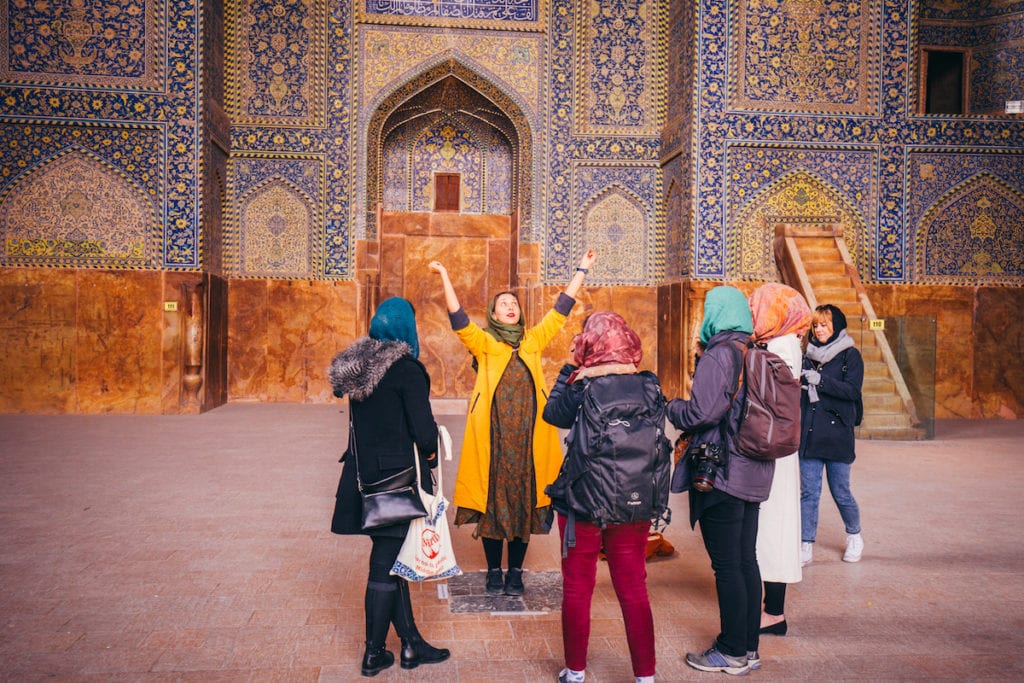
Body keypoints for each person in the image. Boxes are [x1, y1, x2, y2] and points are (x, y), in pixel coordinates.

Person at [428, 250, 596, 596]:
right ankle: (493, 571)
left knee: (522, 503)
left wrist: (582, 269)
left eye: (514, 303)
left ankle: (515, 571)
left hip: (529, 441)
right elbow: (458, 319)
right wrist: (445, 274)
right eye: (503, 303)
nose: (510, 307)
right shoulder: (486, 343)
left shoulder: (533, 341)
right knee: (492, 502)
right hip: (494, 440)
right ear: (493, 313)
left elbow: (560, 310)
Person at [328, 297, 451, 677]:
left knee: (390, 558)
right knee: (385, 566)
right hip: (395, 481)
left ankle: (412, 644)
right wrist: (431, 458)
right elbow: (424, 431)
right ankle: (374, 653)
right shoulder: (406, 370)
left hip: (363, 477)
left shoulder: (360, 368)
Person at [541, 311, 663, 683]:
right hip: (634, 500)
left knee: (578, 588)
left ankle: (575, 672)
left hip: (583, 503)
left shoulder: (581, 387)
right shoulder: (649, 385)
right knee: (633, 587)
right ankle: (646, 676)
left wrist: (568, 369)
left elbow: (552, 414)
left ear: (589, 346)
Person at [666, 285, 772, 676]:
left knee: (727, 566)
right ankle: (748, 647)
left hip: (723, 473)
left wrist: (671, 405)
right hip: (755, 468)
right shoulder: (755, 349)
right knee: (746, 560)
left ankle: (730, 651)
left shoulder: (721, 353)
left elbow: (701, 413)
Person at [748, 283, 812, 638]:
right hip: (776, 448)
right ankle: (770, 607)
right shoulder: (781, 344)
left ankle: (773, 613)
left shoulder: (780, 346)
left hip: (772, 449)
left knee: (773, 530)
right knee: (773, 528)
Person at [799, 304, 865, 565]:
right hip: (810, 434)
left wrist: (820, 381)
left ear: (836, 325)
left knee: (841, 491)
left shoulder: (850, 355)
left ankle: (854, 536)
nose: (819, 329)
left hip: (837, 435)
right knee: (809, 493)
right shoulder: (807, 355)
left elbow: (852, 392)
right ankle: (805, 544)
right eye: (816, 325)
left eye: (824, 324)